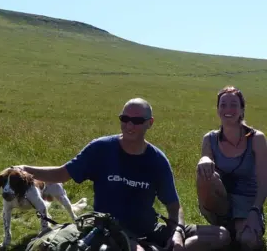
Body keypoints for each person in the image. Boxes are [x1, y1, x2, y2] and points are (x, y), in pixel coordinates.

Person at [15, 98, 230, 251]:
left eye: (136, 121)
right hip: (113, 229)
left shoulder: (157, 160)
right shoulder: (101, 148)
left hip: (151, 228)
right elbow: (62, 174)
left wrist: (177, 233)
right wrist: (27, 169)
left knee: (222, 235)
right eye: (124, 119)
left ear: (150, 123)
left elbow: (174, 207)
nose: (129, 125)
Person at [196, 85, 267, 250]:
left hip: (247, 203)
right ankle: (222, 225)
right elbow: (206, 161)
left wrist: (255, 210)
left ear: (242, 109)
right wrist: (204, 159)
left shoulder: (256, 139)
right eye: (223, 105)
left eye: (234, 104)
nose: (228, 109)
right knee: (204, 173)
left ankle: (231, 232)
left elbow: (264, 181)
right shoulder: (210, 139)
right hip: (221, 201)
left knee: (249, 242)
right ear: (218, 110)